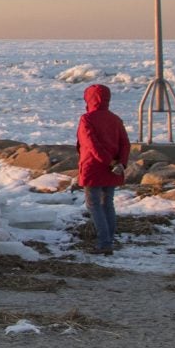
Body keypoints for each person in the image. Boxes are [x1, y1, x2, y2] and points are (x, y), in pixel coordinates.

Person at [75, 82, 129, 255]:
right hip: (113, 168)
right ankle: (109, 241)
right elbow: (125, 144)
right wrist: (120, 163)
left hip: (93, 167)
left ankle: (104, 243)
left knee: (94, 205)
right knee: (108, 204)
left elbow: (91, 144)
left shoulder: (87, 119)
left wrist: (110, 162)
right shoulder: (115, 119)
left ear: (89, 99)